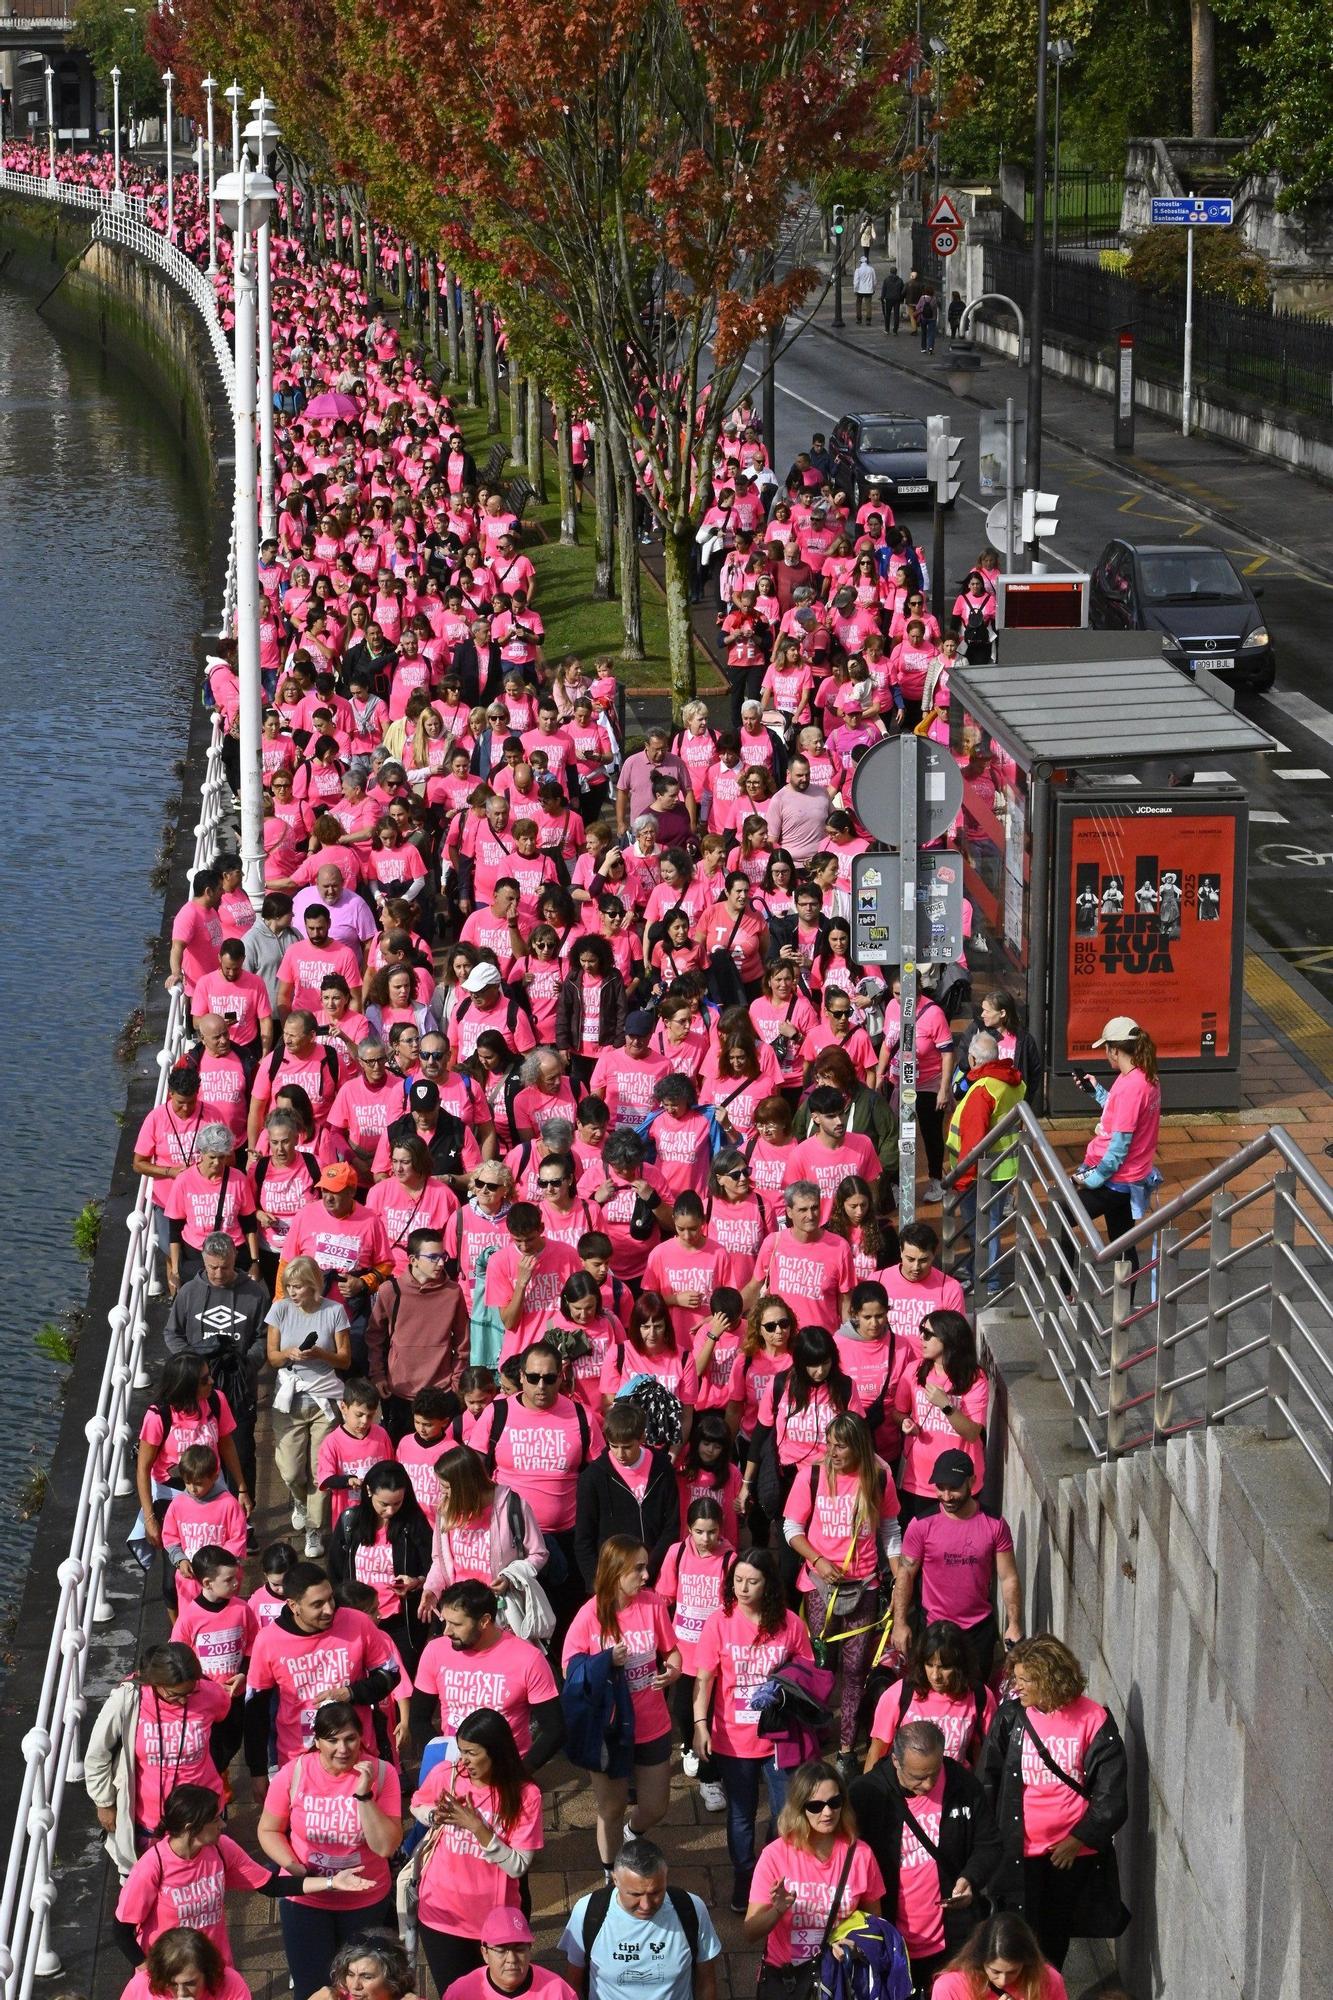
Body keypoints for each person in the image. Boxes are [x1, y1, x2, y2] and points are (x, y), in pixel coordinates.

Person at [978, 1636, 1129, 1970]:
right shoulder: (1011, 1717)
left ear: (1050, 1678)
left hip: (1072, 1854)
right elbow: (988, 1781)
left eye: (1023, 1680)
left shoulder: (1094, 1719)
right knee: (1016, 1937)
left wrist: (1079, 1839)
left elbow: (1112, 1794)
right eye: (1015, 1678)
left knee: (1053, 1936)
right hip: (1021, 1851)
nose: (1016, 1687)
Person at [115, 1781, 372, 1963]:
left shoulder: (221, 1848)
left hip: (214, 1968)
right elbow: (121, 1929)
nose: (224, 1823)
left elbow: (271, 1885)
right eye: (216, 1818)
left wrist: (331, 1882)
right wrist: (149, 1971)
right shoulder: (153, 1865)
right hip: (171, 1977)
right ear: (192, 1827)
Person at [693, 1547, 815, 1912]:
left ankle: (769, 1866)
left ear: (769, 1584)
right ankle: (744, 1875)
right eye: (738, 1580)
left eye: (753, 1581)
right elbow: (704, 1678)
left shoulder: (790, 1623)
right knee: (741, 1813)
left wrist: (783, 1688)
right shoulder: (719, 1622)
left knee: (785, 1813)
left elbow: (806, 1672)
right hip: (733, 1739)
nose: (743, 1588)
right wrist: (701, 1726)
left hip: (779, 1737)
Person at [257, 1700, 401, 2000]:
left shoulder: (383, 1774)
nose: (343, 1749)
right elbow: (268, 1830)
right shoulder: (293, 1772)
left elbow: (385, 1846)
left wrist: (364, 1796)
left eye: (350, 1738)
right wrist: (294, 1867)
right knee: (314, 1992)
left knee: (368, 1992)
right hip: (306, 1901)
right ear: (317, 1741)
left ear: (361, 1737)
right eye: (332, 1740)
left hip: (365, 1900)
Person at [849, 1717, 1004, 1992]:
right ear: (895, 1761)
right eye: (919, 1776)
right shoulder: (866, 1794)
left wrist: (971, 1878)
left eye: (935, 1771)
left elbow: (989, 1843)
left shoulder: (963, 1785)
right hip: (892, 1940)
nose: (929, 1783)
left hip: (954, 1939)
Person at [782, 1412, 901, 1767]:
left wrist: (899, 1585)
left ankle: (847, 1749)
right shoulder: (812, 1475)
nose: (832, 1451)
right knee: (819, 1664)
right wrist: (817, 1561)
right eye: (829, 1443)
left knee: (855, 1671)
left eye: (841, 1445)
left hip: (864, 1586)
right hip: (819, 1586)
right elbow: (791, 1528)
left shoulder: (879, 1477)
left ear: (859, 1446)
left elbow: (891, 1532)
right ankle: (814, 1734)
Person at [409, 1705, 545, 1994]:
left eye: (472, 1752)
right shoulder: (448, 1774)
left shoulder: (525, 1795)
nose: (463, 1760)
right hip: (440, 1912)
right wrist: (435, 1816)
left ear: (495, 1752)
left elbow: (518, 1865)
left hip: (494, 1919)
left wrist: (478, 1828)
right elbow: (418, 1804)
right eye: (461, 1750)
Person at [563, 1537, 681, 1868]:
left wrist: (672, 1670)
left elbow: (671, 1651)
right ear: (616, 1571)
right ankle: (609, 1873)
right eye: (639, 1568)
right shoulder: (589, 1615)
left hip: (652, 1720)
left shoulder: (654, 1604)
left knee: (656, 1806)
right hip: (608, 1728)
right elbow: (570, 1671)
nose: (646, 1575)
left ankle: (634, 1831)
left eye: (647, 1567)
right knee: (611, 1807)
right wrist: (605, 1660)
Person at [243, 1562, 400, 1792]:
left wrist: (351, 1693)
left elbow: (391, 1673)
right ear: (294, 1605)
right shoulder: (268, 1641)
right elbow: (255, 1710)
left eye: (331, 1599)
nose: (329, 1610)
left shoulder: (358, 1623)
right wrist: (258, 1770)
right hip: (299, 1760)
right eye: (317, 1604)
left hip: (356, 1755)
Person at [86, 1643, 232, 1882]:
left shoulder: (209, 1693)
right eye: (174, 1695)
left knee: (199, 1881)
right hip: (150, 1820)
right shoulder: (127, 1700)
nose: (184, 1701)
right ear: (154, 1683)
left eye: (190, 1693)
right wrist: (104, 1803)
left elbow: (225, 1720)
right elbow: (97, 1754)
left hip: (202, 1813)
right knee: (149, 1885)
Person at [890, 1449, 1022, 1680]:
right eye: (940, 1488)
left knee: (976, 1698)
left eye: (954, 1488)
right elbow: (905, 1575)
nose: (947, 1496)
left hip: (978, 1630)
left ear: (971, 1481)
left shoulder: (995, 1525)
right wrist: (900, 1623)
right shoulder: (921, 1525)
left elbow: (1008, 1577)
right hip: (933, 1628)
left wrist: (1014, 1624)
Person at [411, 1578, 564, 1770]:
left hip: (505, 1771)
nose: (447, 1631)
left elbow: (554, 1729)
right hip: (451, 1769)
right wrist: (443, 1762)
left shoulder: (528, 1658)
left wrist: (520, 1774)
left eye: (456, 1624)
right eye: (445, 1621)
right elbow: (418, 1719)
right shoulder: (435, 1651)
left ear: (484, 1621)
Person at [743, 1757, 886, 1961]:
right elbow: (750, 1932)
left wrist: (857, 1946)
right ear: (799, 1808)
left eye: (834, 1803)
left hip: (839, 1978)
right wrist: (777, 1910)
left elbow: (875, 1926)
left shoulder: (860, 1855)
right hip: (790, 1981)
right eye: (816, 1806)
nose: (827, 1812)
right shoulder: (774, 1855)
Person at [163, 1234, 270, 1500]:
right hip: (197, 1392)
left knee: (242, 1451)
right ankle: (202, 1512)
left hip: (238, 1388)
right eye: (212, 1267)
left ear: (235, 1258)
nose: (218, 1273)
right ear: (203, 1261)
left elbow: (265, 1336)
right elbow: (172, 1333)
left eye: (224, 1266)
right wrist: (193, 1361)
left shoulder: (254, 1293)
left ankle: (244, 1515)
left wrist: (245, 1363)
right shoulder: (189, 1292)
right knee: (197, 1456)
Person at [265, 1255, 353, 1559]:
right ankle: (299, 1502)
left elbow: (345, 1359)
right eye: (289, 1286)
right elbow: (272, 1358)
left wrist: (321, 1354)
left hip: (325, 1399)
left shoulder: (335, 1311)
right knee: (290, 1470)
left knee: (320, 1469)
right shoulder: (279, 1310)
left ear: (314, 1286)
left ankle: (314, 1529)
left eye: (298, 1286)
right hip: (289, 1399)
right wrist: (290, 1352)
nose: (292, 1292)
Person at [560, 1836, 723, 2000]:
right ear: (615, 1880)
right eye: (635, 1894)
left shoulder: (691, 1908)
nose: (646, 1905)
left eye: (656, 1893)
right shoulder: (588, 1911)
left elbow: (706, 1981)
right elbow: (573, 1983)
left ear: (666, 1877)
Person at [417, 1442, 548, 1623]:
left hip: (500, 1613)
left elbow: (538, 1554)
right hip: (459, 1610)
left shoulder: (512, 1506)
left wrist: (509, 1577)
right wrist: (432, 1588)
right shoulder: (446, 1509)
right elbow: (440, 1560)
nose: (442, 1494)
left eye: (446, 1487)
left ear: (465, 1486)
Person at [326, 1461, 434, 1676]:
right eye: (383, 1503)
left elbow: (431, 1565)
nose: (390, 1510)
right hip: (355, 1619)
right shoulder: (350, 1521)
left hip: (401, 1622)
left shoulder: (414, 1524)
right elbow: (335, 1570)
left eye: (397, 1503)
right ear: (368, 1492)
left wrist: (417, 1582)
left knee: (401, 1681)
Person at [1070, 1018, 1162, 1253]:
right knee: (1122, 1244)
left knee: (1061, 1216)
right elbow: (1121, 1111)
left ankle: (1065, 1288)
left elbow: (1119, 1147)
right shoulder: (1144, 1077)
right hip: (1131, 1177)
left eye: (1106, 1049)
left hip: (1115, 1179)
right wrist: (1097, 1091)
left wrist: (1090, 1179)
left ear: (1116, 1050)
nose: (1105, 1054)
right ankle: (1125, 1288)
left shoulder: (1130, 1087)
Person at [946, 1032, 1026, 1296]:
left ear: (973, 1059)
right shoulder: (1012, 1082)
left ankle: (986, 1280)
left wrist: (961, 1177)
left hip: (981, 1170)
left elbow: (973, 1140)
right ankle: (980, 1271)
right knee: (990, 1224)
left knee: (981, 1226)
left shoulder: (983, 1090)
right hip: (1004, 1164)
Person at [865, 1619, 997, 1771]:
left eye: (944, 1667)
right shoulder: (899, 1695)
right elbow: (876, 1753)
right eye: (929, 1665)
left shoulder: (981, 1696)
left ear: (960, 1665)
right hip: (906, 1793)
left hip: (956, 1791)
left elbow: (983, 1754)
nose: (935, 1676)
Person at [575, 1402, 680, 1588]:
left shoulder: (663, 1468)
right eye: (613, 1446)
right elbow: (584, 1538)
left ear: (642, 1438)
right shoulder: (593, 1477)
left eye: (627, 1447)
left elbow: (671, 1526)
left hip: (658, 1576)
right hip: (613, 1581)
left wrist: (649, 1569)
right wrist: (596, 1585)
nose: (619, 1453)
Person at [895, 1310, 989, 1511]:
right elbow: (898, 1412)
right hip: (919, 1480)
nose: (921, 1338)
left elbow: (972, 1433)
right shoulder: (914, 1369)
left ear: (948, 1338)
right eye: (921, 1331)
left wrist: (946, 1406)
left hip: (959, 1482)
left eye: (928, 1334)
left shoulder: (975, 1378)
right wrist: (904, 1423)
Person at [444, 1906, 579, 2000]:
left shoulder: (558, 1992)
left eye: (519, 1949)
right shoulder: (459, 1993)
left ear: (529, 1950)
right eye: (501, 1949)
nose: (511, 1959)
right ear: (485, 1954)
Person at [931, 1913, 1071, 2000]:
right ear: (980, 1961)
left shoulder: (1049, 1980)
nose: (1003, 1981)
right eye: (995, 1971)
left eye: (1013, 1971)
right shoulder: (949, 1987)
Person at [118, 1928, 250, 2000]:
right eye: (172, 1984)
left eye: (190, 1983)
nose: (181, 1993)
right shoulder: (140, 1987)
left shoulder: (231, 1984)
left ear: (207, 1973)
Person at [852, 251, 877, 324]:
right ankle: (868, 319)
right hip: (869, 290)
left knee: (858, 304)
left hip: (860, 290)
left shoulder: (858, 270)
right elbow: (874, 280)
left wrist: (855, 289)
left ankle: (859, 318)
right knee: (868, 304)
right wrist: (874, 288)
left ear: (860, 262)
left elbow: (856, 281)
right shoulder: (871, 269)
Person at [881, 268, 906, 334]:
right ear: (896, 272)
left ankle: (887, 329)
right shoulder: (900, 280)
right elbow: (902, 291)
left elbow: (884, 289)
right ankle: (895, 330)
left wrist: (882, 297)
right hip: (897, 299)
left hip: (888, 298)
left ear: (890, 272)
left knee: (887, 314)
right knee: (896, 314)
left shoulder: (886, 280)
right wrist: (902, 299)